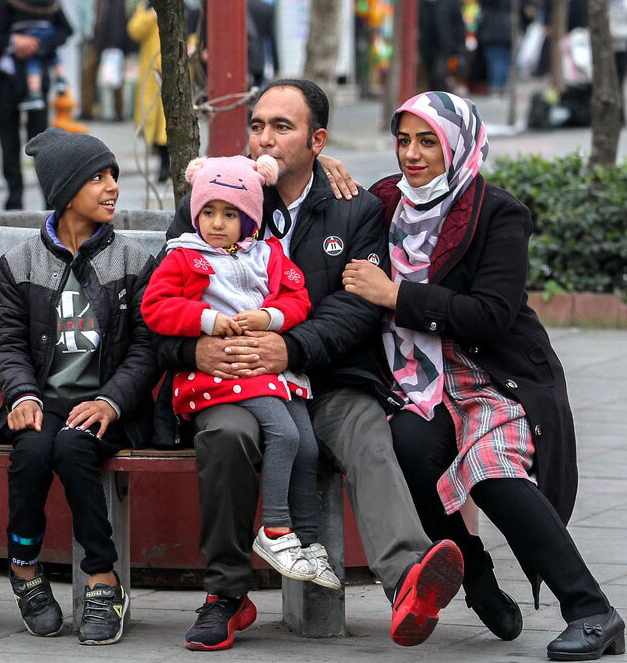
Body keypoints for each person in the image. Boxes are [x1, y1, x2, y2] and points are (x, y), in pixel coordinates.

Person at [156, 79, 464, 652]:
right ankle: (226, 594)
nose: (264, 140)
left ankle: (408, 583)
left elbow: (354, 311)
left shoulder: (356, 210)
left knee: (369, 433)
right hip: (236, 381)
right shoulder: (218, 195)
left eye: (282, 127)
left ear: (317, 140)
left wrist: (290, 349)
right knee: (225, 436)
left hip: (328, 380)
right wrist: (194, 351)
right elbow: (162, 303)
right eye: (256, 125)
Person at [344, 90, 625, 661]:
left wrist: (397, 295)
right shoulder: (382, 206)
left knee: (489, 471)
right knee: (406, 448)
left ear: (459, 146)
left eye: (428, 141)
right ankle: (475, 576)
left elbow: (493, 315)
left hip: (492, 375)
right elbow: (314, 204)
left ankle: (592, 609)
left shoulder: (497, 212)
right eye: (404, 141)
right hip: (418, 384)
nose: (413, 154)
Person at [142, 154, 340, 591]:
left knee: (306, 445)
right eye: (208, 212)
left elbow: (298, 299)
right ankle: (275, 530)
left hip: (271, 368)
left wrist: (270, 318)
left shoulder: (266, 254)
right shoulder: (184, 257)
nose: (216, 223)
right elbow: (155, 308)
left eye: (230, 214)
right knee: (285, 436)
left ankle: (306, 542)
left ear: (250, 217)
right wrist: (207, 321)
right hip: (223, 372)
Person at [0, 128, 158, 645]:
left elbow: (145, 349)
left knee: (74, 445)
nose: (111, 187)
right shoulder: (20, 264)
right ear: (64, 191)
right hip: (41, 401)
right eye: (96, 178)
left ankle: (103, 579)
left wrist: (111, 400)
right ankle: (23, 565)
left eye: (113, 176)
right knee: (34, 450)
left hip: (109, 407)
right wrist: (20, 396)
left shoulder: (133, 262)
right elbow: (9, 343)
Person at [0, 0, 72, 209]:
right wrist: (13, 42)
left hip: (35, 82)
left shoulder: (46, 4)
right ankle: (14, 196)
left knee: (42, 142)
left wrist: (38, 44)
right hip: (4, 83)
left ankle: (49, 199)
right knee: (8, 141)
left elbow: (64, 30)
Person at [127, 2, 169, 183]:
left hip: (172, 74)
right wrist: (151, 15)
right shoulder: (146, 7)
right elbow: (134, 30)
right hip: (151, 75)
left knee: (168, 122)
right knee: (152, 119)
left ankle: (167, 165)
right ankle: (163, 163)